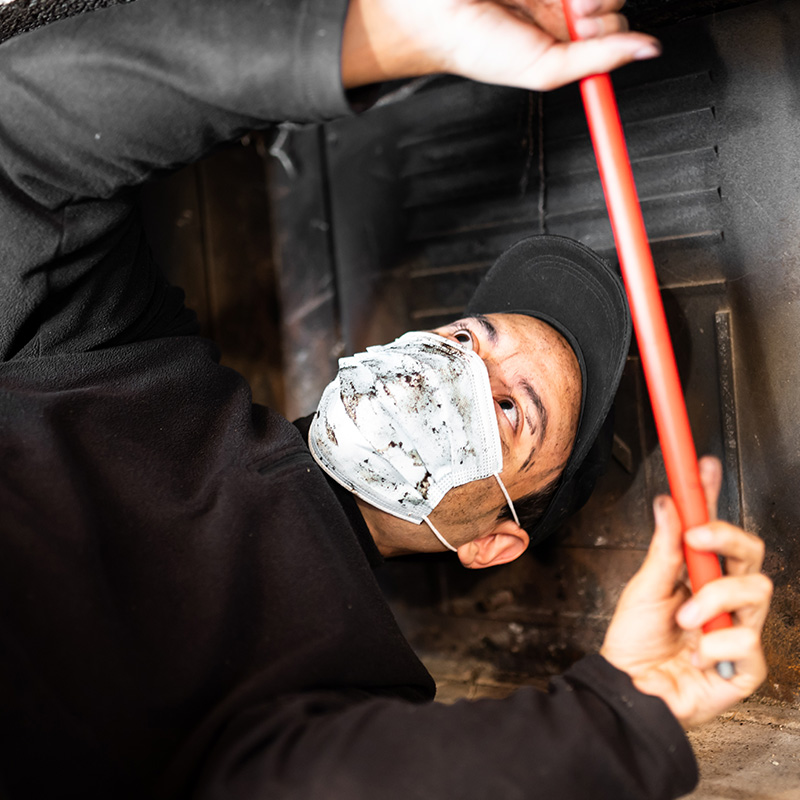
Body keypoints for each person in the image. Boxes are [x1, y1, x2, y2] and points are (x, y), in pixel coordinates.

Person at [0, 1, 771, 799]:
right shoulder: (132, 363)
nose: (455, 372)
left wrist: (627, 711)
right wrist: (387, 34)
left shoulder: (347, 686)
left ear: (492, 543)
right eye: (468, 337)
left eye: (512, 409)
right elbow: (22, 138)